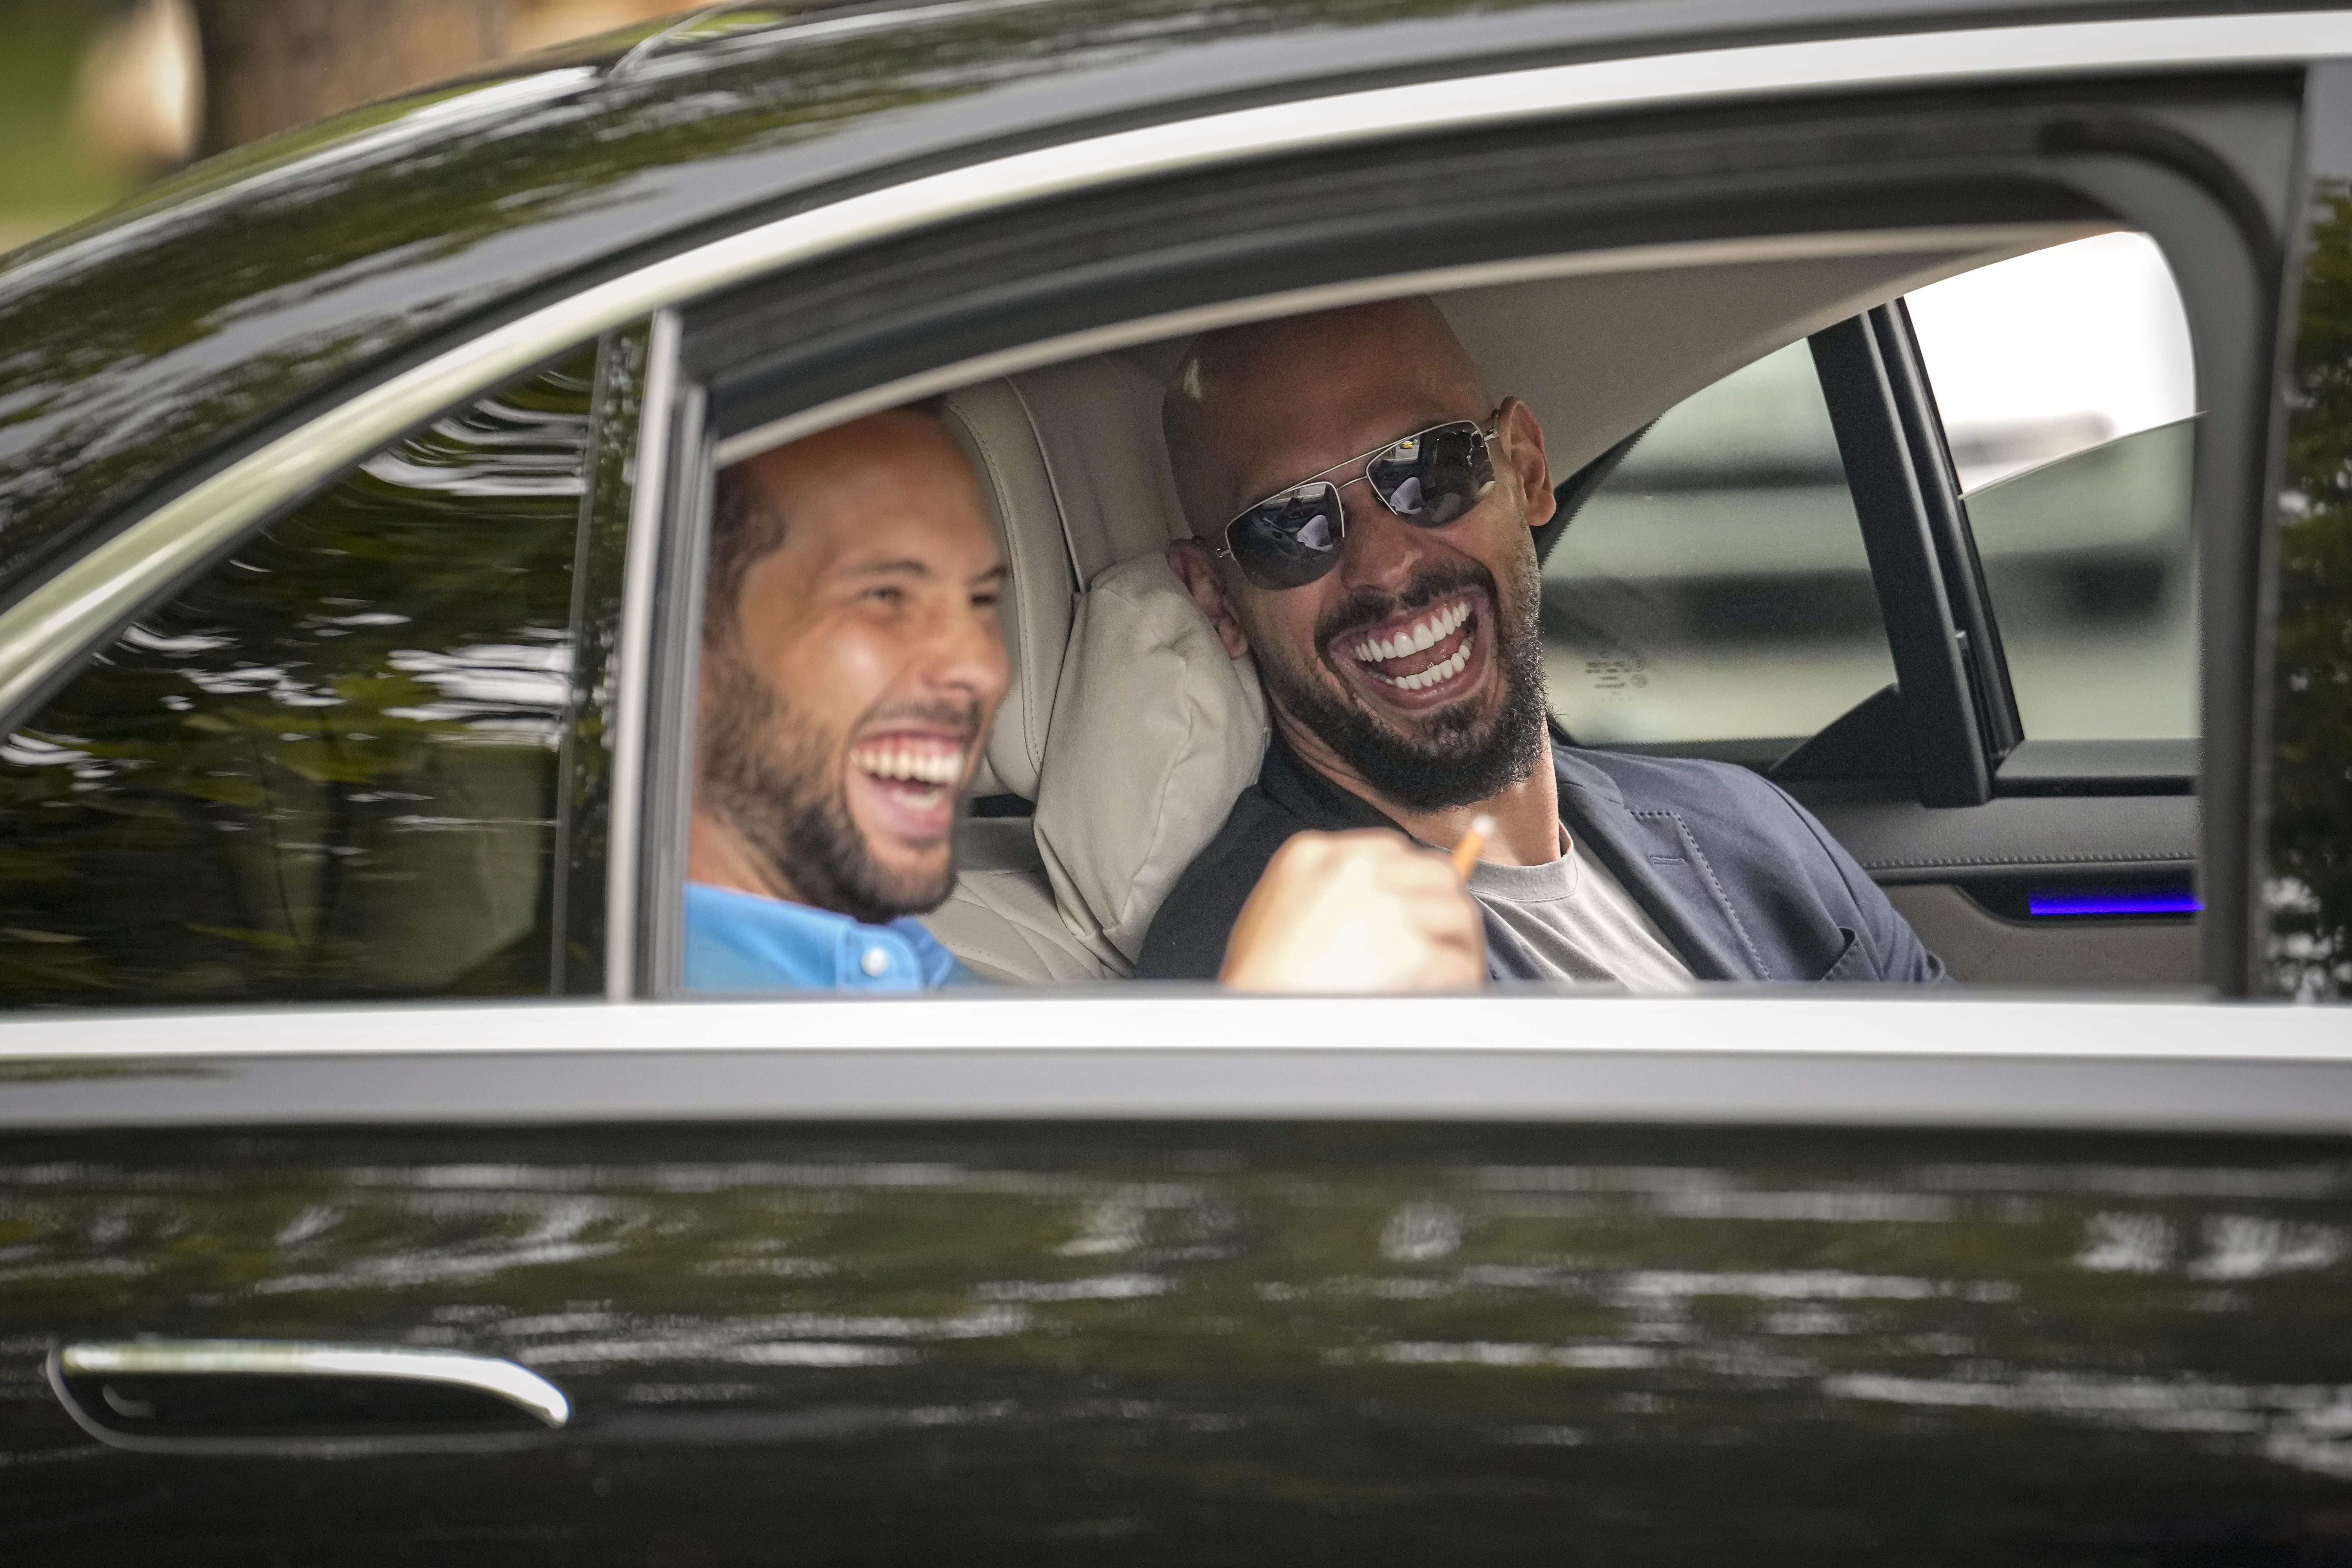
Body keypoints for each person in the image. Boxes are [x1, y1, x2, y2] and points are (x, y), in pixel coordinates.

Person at [1141, 298, 1945, 985]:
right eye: (1290, 527)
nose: (1384, 564)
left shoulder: (1749, 826)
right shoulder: (1262, 964)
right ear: (1218, 597)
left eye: (1428, 467)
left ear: (1526, 468)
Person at [686, 406, 1486, 993]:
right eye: (884, 595)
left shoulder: (907, 972)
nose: (977, 665)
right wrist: (1256, 1036)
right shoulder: (640, 1014)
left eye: (981, 604)